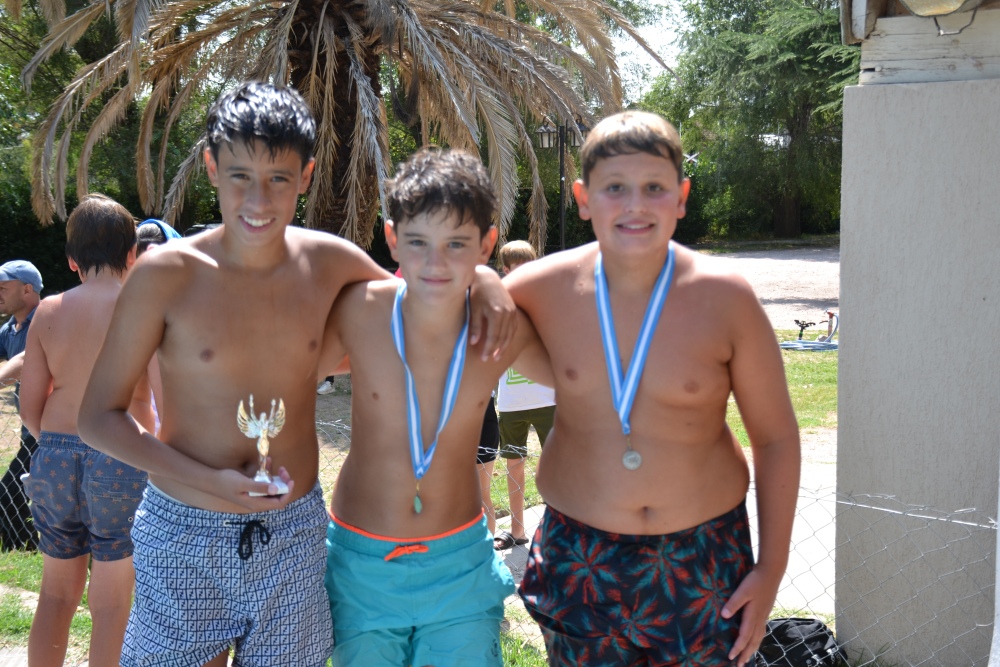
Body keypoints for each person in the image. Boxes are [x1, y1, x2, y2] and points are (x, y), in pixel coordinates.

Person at [77, 82, 516, 667]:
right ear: (211, 166)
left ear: (306, 176)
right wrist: (209, 482)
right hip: (186, 529)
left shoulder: (329, 261)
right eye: (239, 175)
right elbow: (97, 416)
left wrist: (486, 279)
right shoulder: (165, 275)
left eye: (278, 179)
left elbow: (420, 285)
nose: (258, 199)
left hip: (293, 533)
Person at [506, 111, 801, 667]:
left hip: (704, 558)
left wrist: (772, 567)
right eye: (614, 188)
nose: (635, 205)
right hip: (581, 553)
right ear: (582, 196)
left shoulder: (726, 298)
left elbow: (777, 437)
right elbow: (452, 324)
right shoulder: (537, 289)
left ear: (682, 196)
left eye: (654, 188)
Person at [318, 147, 552, 667]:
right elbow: (273, 372)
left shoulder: (498, 326)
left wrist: (494, 282)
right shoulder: (359, 310)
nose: (435, 263)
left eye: (456, 245)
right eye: (418, 242)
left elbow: (583, 379)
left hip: (459, 564)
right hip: (363, 563)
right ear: (392, 237)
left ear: (487, 244)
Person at [18, 195, 155, 667]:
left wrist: (52, 444)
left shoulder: (49, 311)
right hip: (120, 454)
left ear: (72, 259)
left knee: (55, 593)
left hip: (54, 453)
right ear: (133, 254)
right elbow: (160, 399)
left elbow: (29, 402)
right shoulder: (143, 308)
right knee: (113, 604)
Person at [488, 240, 556, 551]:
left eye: (525, 266)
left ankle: (559, 530)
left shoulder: (549, 304)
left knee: (558, 467)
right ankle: (517, 530)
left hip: (549, 403)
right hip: (512, 405)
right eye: (512, 268)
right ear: (503, 270)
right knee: (514, 466)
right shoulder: (495, 307)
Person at [0, 260, 44, 551]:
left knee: (8, 490)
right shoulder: (10, 329)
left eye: (3, 287)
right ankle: (21, 547)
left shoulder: (46, 320)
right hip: (31, 431)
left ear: (27, 289)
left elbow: (25, 360)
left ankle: (24, 547)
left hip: (54, 428)